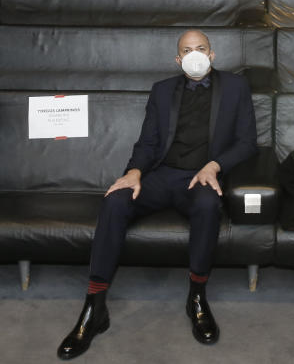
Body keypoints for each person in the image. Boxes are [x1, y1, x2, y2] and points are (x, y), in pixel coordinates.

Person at [57, 29, 258, 360]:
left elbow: (247, 142)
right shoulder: (162, 91)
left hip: (201, 177)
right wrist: (134, 172)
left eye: (201, 48)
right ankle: (95, 306)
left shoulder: (236, 88)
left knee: (208, 206)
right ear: (178, 59)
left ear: (212, 54)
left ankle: (196, 296)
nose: (195, 55)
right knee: (115, 200)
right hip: (161, 175)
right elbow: (148, 142)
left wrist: (215, 165)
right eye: (187, 50)